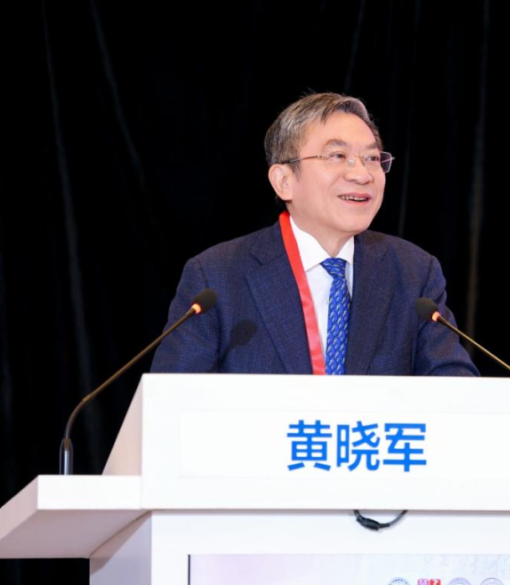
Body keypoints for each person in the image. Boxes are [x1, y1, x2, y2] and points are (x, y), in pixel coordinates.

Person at [150, 92, 478, 377]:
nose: (362, 174)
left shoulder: (414, 272)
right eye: (338, 156)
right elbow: (171, 404)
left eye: (371, 158)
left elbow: (456, 392)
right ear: (284, 181)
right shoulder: (217, 276)